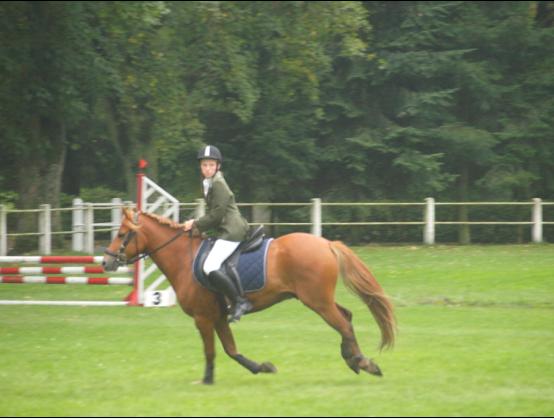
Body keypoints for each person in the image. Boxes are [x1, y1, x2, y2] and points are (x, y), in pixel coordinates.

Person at [183, 145, 252, 322]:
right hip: (224, 229)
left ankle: (240, 302)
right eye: (204, 165)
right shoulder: (208, 183)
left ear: (218, 166)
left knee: (210, 266)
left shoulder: (218, 183)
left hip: (232, 230)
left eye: (211, 165)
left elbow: (217, 215)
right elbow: (214, 214)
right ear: (201, 166)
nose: (207, 168)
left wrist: (195, 224)